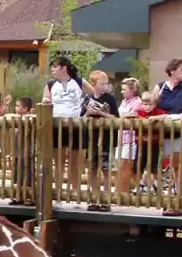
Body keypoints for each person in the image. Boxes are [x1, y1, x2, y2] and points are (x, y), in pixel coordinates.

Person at [151, 58, 182, 216]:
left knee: (181, 165)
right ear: (172, 71)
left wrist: (178, 116)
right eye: (181, 69)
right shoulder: (160, 87)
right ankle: (175, 199)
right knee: (173, 166)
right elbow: (152, 106)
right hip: (165, 133)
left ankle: (180, 200)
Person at [42, 54, 95, 202]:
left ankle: (75, 192)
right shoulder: (51, 84)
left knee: (75, 162)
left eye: (55, 67)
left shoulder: (78, 81)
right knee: (58, 161)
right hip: (58, 124)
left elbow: (93, 94)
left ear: (63, 68)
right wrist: (46, 101)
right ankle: (58, 192)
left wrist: (86, 108)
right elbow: (45, 100)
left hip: (76, 124)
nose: (52, 70)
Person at [82, 70, 119, 212]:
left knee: (106, 170)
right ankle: (94, 197)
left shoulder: (110, 99)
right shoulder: (87, 99)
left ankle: (106, 199)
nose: (105, 86)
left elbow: (116, 118)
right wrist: (88, 113)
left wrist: (101, 113)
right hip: (91, 140)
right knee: (92, 169)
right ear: (93, 84)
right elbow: (81, 119)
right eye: (102, 83)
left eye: (106, 84)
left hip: (106, 140)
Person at [116, 77, 143, 196]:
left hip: (131, 138)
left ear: (132, 90)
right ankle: (121, 191)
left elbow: (132, 116)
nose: (122, 92)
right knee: (119, 166)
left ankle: (124, 192)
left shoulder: (137, 102)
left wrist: (120, 118)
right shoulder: (123, 102)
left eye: (124, 89)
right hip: (120, 137)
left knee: (126, 166)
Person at [9, 97, 34, 206]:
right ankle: (18, 196)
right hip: (17, 153)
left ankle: (30, 197)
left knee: (27, 176)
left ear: (25, 108)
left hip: (26, 153)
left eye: (18, 106)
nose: (16, 108)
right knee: (16, 176)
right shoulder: (17, 120)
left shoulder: (28, 120)